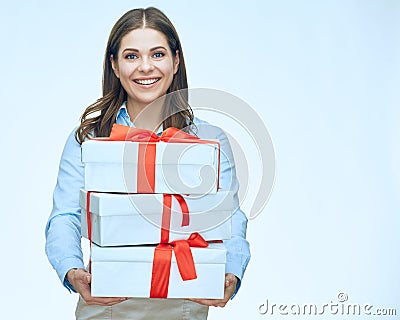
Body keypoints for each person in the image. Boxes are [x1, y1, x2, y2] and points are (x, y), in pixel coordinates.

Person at [45, 7, 250, 320]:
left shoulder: (208, 140)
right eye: (131, 56)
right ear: (113, 64)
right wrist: (72, 271)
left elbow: (229, 216)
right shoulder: (89, 139)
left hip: (184, 302)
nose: (145, 67)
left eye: (157, 54)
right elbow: (66, 215)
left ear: (175, 61)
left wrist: (232, 274)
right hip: (106, 304)